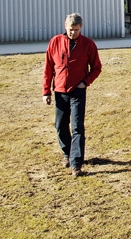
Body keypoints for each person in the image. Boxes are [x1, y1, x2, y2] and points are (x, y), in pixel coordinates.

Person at [42, 13, 102, 177]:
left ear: (81, 28)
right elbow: (48, 68)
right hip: (60, 92)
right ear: (65, 27)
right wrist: (46, 91)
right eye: (70, 30)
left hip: (77, 91)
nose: (73, 33)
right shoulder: (55, 42)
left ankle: (76, 163)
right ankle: (67, 153)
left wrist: (85, 82)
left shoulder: (88, 45)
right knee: (60, 125)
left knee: (77, 127)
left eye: (76, 30)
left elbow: (96, 68)